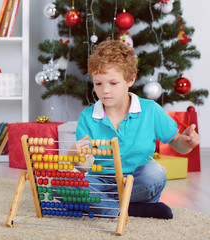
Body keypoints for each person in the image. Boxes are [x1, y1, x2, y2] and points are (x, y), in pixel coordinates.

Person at [68, 39, 199, 219]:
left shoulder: (150, 110)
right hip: (101, 182)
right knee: (69, 184)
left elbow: (179, 145)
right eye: (98, 83)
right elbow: (84, 168)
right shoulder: (87, 117)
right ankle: (132, 210)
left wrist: (187, 143)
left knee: (155, 173)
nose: (105, 90)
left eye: (113, 83)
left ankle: (104, 208)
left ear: (130, 79)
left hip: (138, 183)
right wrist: (76, 157)